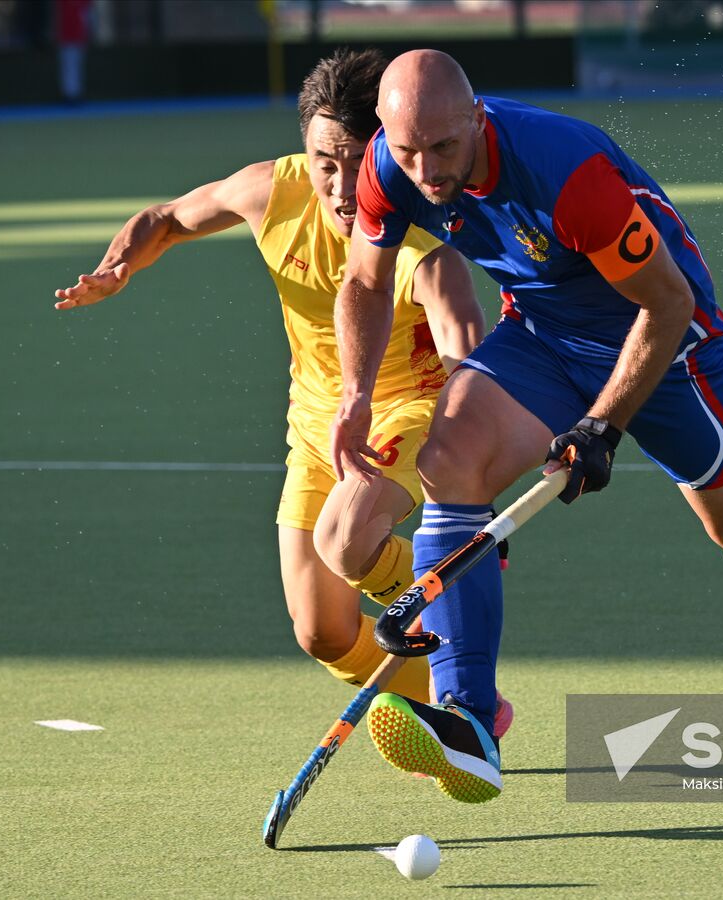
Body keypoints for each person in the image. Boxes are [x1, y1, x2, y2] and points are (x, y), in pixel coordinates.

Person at [332, 50, 723, 805]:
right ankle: (470, 724)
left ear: (476, 118)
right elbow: (363, 280)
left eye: (443, 149)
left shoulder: (565, 172)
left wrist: (600, 427)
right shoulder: (389, 166)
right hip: (545, 335)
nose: (425, 169)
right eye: (408, 150)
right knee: (449, 461)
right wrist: (355, 394)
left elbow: (669, 303)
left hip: (666, 345)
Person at [52, 49, 514, 734]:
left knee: (349, 537)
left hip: (411, 410)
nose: (339, 182)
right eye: (326, 161)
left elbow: (460, 330)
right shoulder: (272, 190)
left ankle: (447, 606)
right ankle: (460, 710)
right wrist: (118, 266)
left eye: (358, 161)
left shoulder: (418, 229)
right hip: (315, 425)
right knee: (321, 631)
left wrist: (478, 440)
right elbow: (170, 218)